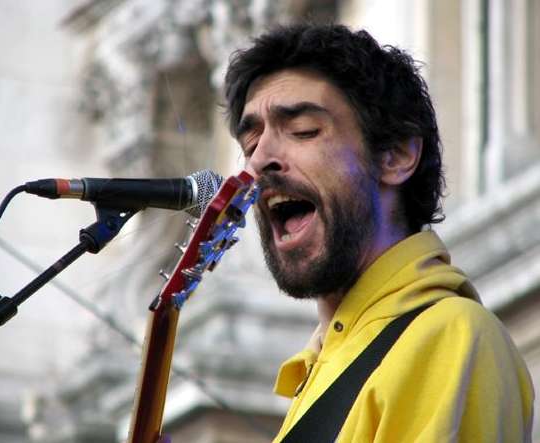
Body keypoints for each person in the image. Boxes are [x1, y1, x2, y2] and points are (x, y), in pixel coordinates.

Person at [221, 23, 534, 442]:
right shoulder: (323, 369)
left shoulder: (446, 335)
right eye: (250, 143)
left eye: (303, 131)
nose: (259, 162)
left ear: (397, 155)